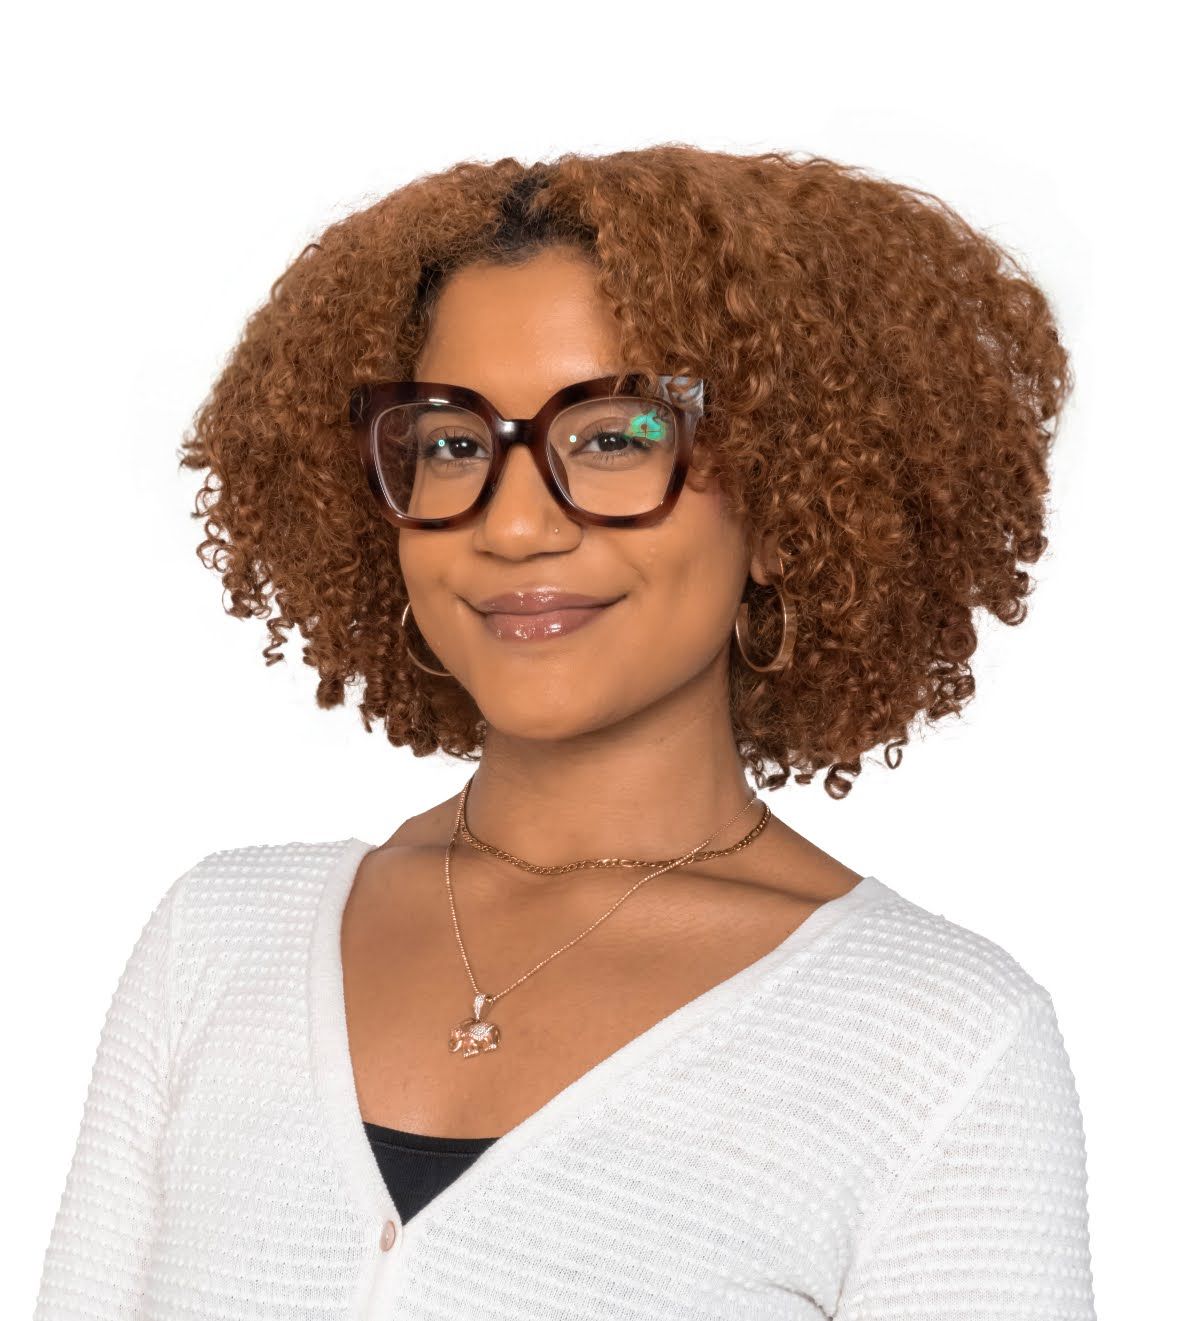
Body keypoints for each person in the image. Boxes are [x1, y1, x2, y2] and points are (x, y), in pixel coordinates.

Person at [33, 145, 1097, 1319]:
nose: (516, 523)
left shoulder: (935, 1043)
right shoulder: (214, 946)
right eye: (451, 443)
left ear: (784, 502)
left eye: (613, 435)